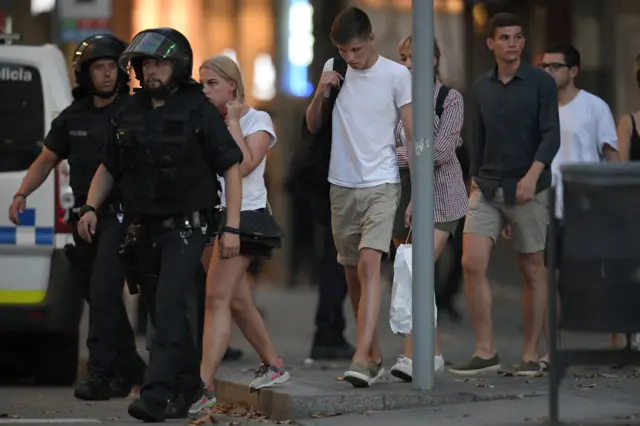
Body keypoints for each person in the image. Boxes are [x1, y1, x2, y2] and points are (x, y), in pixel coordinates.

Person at [76, 28, 244, 422]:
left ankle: (154, 394)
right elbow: (108, 167)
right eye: (146, 64)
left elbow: (231, 167)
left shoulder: (197, 109)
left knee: (168, 308)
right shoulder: (129, 111)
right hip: (144, 230)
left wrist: (232, 228)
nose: (151, 71)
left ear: (178, 65)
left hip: (188, 228)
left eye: (159, 63)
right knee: (161, 310)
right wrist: (88, 207)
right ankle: (186, 389)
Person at [7, 34, 146, 400]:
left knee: (103, 291)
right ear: (84, 73)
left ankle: (99, 374)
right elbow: (46, 160)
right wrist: (21, 193)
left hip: (120, 216)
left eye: (112, 67)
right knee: (100, 297)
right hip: (82, 221)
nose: (106, 74)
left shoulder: (136, 111)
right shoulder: (73, 116)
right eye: (98, 68)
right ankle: (130, 369)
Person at [449, 12, 560, 377]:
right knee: (471, 262)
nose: (511, 44)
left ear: (523, 43)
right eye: (505, 38)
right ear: (491, 43)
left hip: (529, 189)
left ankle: (530, 352)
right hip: (487, 187)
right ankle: (486, 350)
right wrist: (474, 181)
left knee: (531, 271)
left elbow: (550, 136)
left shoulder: (541, 84)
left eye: (517, 37)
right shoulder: (481, 86)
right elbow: (476, 138)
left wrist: (532, 176)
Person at [306, 6, 412, 387]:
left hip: (383, 183)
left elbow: (416, 137)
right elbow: (314, 125)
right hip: (341, 185)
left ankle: (359, 358)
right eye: (344, 51)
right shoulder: (333, 68)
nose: (351, 58)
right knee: (351, 273)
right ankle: (374, 354)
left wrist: (417, 195)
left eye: (356, 50)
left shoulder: (398, 75)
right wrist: (321, 92)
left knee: (370, 265)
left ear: (371, 38)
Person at [189, 55, 289, 415]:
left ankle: (204, 385)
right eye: (201, 84)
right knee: (237, 301)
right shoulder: (203, 121)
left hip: (245, 218)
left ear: (232, 85)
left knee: (216, 297)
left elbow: (245, 164)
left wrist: (232, 120)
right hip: (212, 218)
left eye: (212, 83)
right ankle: (273, 364)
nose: (205, 91)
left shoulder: (256, 119)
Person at [389, 35, 467, 382]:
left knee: (418, 269)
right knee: (409, 272)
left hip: (442, 194)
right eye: (403, 58)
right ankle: (432, 352)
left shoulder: (449, 99)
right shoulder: (393, 97)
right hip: (401, 193)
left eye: (414, 58)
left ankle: (411, 354)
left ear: (433, 59)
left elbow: (441, 152)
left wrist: (397, 155)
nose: (407, 65)